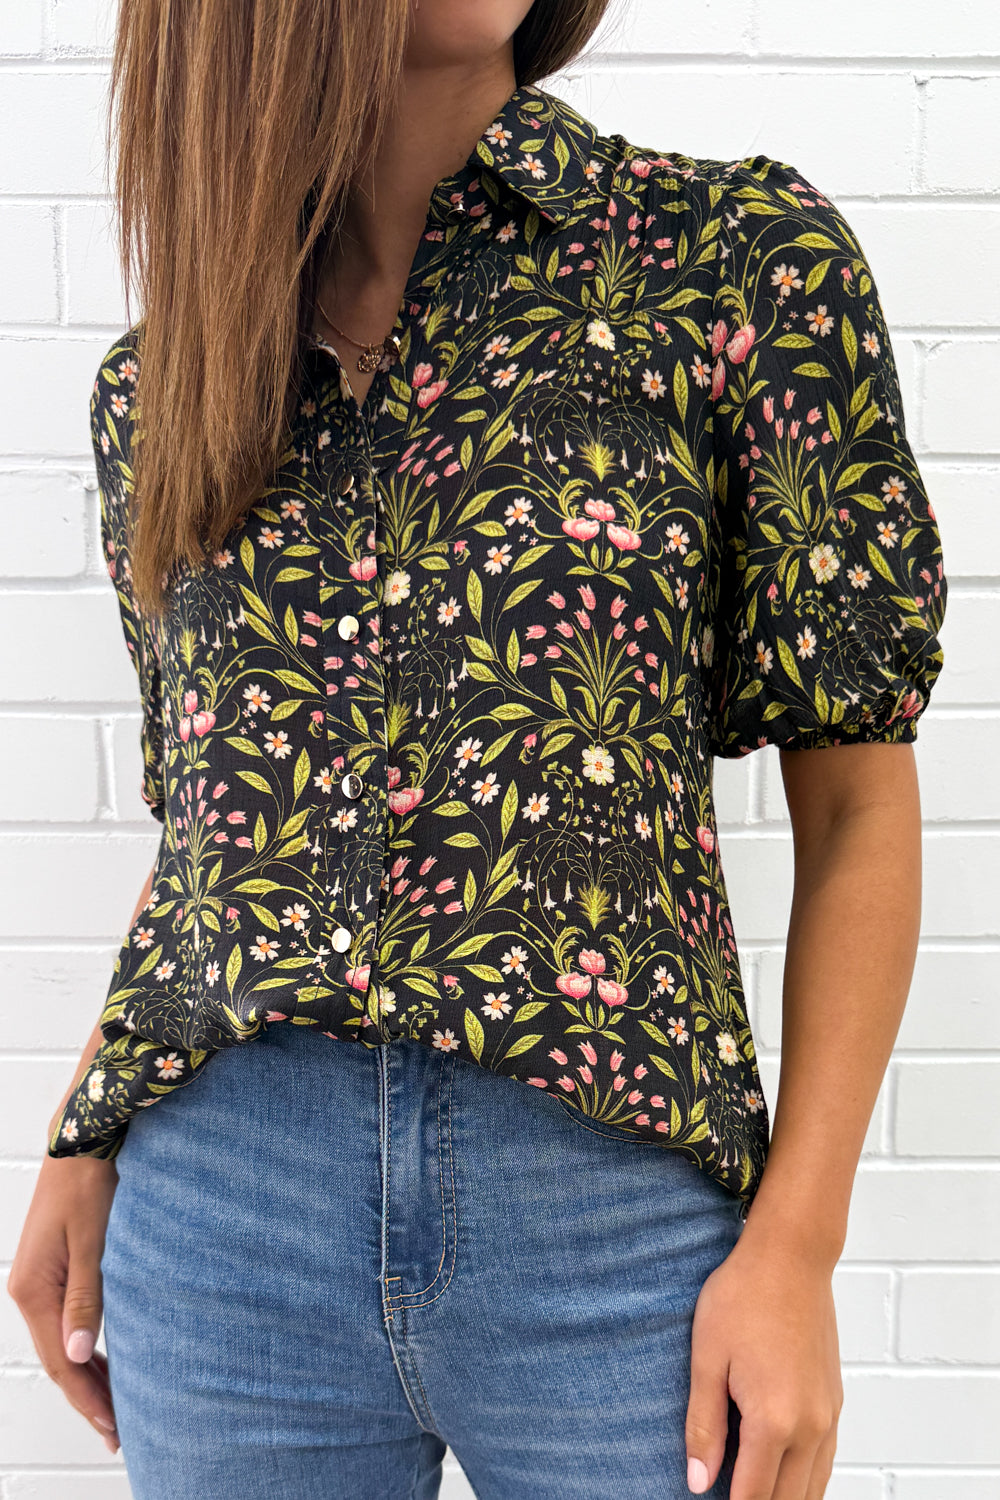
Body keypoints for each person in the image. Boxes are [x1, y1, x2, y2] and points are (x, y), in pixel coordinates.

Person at [8, 1, 947, 1497]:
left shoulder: (730, 267)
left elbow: (855, 809)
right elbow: (214, 835)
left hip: (611, 1219)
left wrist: (798, 1247)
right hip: (221, 1213)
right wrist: (85, 1130)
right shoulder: (165, 382)